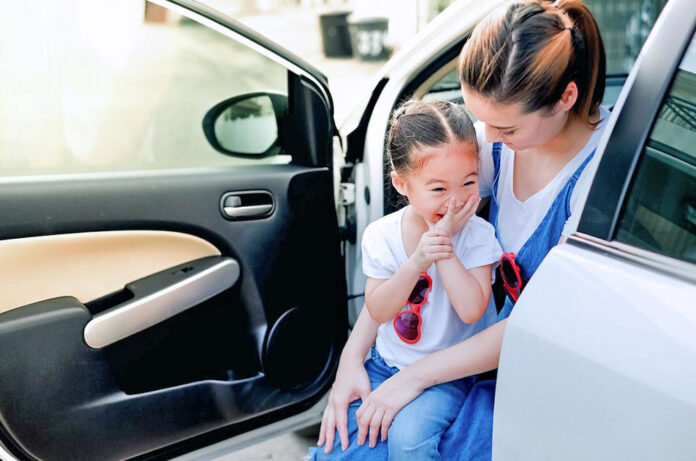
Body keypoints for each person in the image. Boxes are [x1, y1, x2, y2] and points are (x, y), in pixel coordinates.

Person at [315, 0, 610, 459]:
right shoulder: (498, 145)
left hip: (531, 370)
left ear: (566, 98)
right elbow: (407, 243)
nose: (487, 136)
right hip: (458, 359)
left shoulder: (597, 182)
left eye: (504, 126)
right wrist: (351, 360)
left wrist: (415, 377)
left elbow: (540, 325)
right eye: (481, 119)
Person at [310, 99, 502, 461]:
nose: (456, 201)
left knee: (409, 440)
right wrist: (417, 261)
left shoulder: (478, 235)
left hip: (449, 376)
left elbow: (471, 309)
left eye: (468, 182)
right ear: (402, 184)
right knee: (339, 446)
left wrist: (443, 251)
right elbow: (379, 310)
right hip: (385, 364)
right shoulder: (382, 236)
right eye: (438, 189)